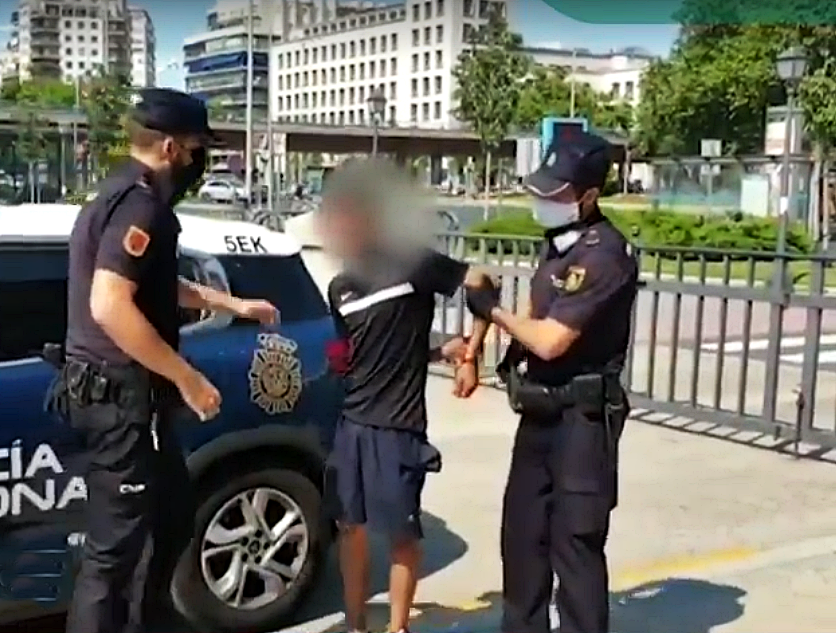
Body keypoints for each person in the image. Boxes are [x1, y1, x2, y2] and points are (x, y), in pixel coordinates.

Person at [54, 87, 278, 633]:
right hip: (121, 400)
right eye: (199, 147)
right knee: (112, 557)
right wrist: (187, 377)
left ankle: (149, 621)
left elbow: (150, 282)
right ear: (174, 148)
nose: (201, 161)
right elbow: (109, 304)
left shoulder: (115, 194)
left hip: (123, 400)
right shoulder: (141, 206)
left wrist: (229, 302)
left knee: (170, 517)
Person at [464, 131, 639, 633]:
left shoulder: (605, 253)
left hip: (582, 422)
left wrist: (492, 311)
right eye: (541, 190)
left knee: (575, 545)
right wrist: (476, 347)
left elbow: (551, 340)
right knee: (522, 538)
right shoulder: (559, 247)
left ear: (588, 195)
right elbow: (534, 320)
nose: (544, 201)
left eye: (556, 193)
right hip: (541, 413)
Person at [314, 159, 495, 633]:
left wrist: (472, 352)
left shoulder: (414, 264)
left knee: (399, 535)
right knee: (349, 529)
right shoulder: (341, 288)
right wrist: (438, 350)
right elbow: (357, 352)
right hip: (352, 424)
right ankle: (356, 626)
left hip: (398, 427)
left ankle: (397, 628)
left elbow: (482, 283)